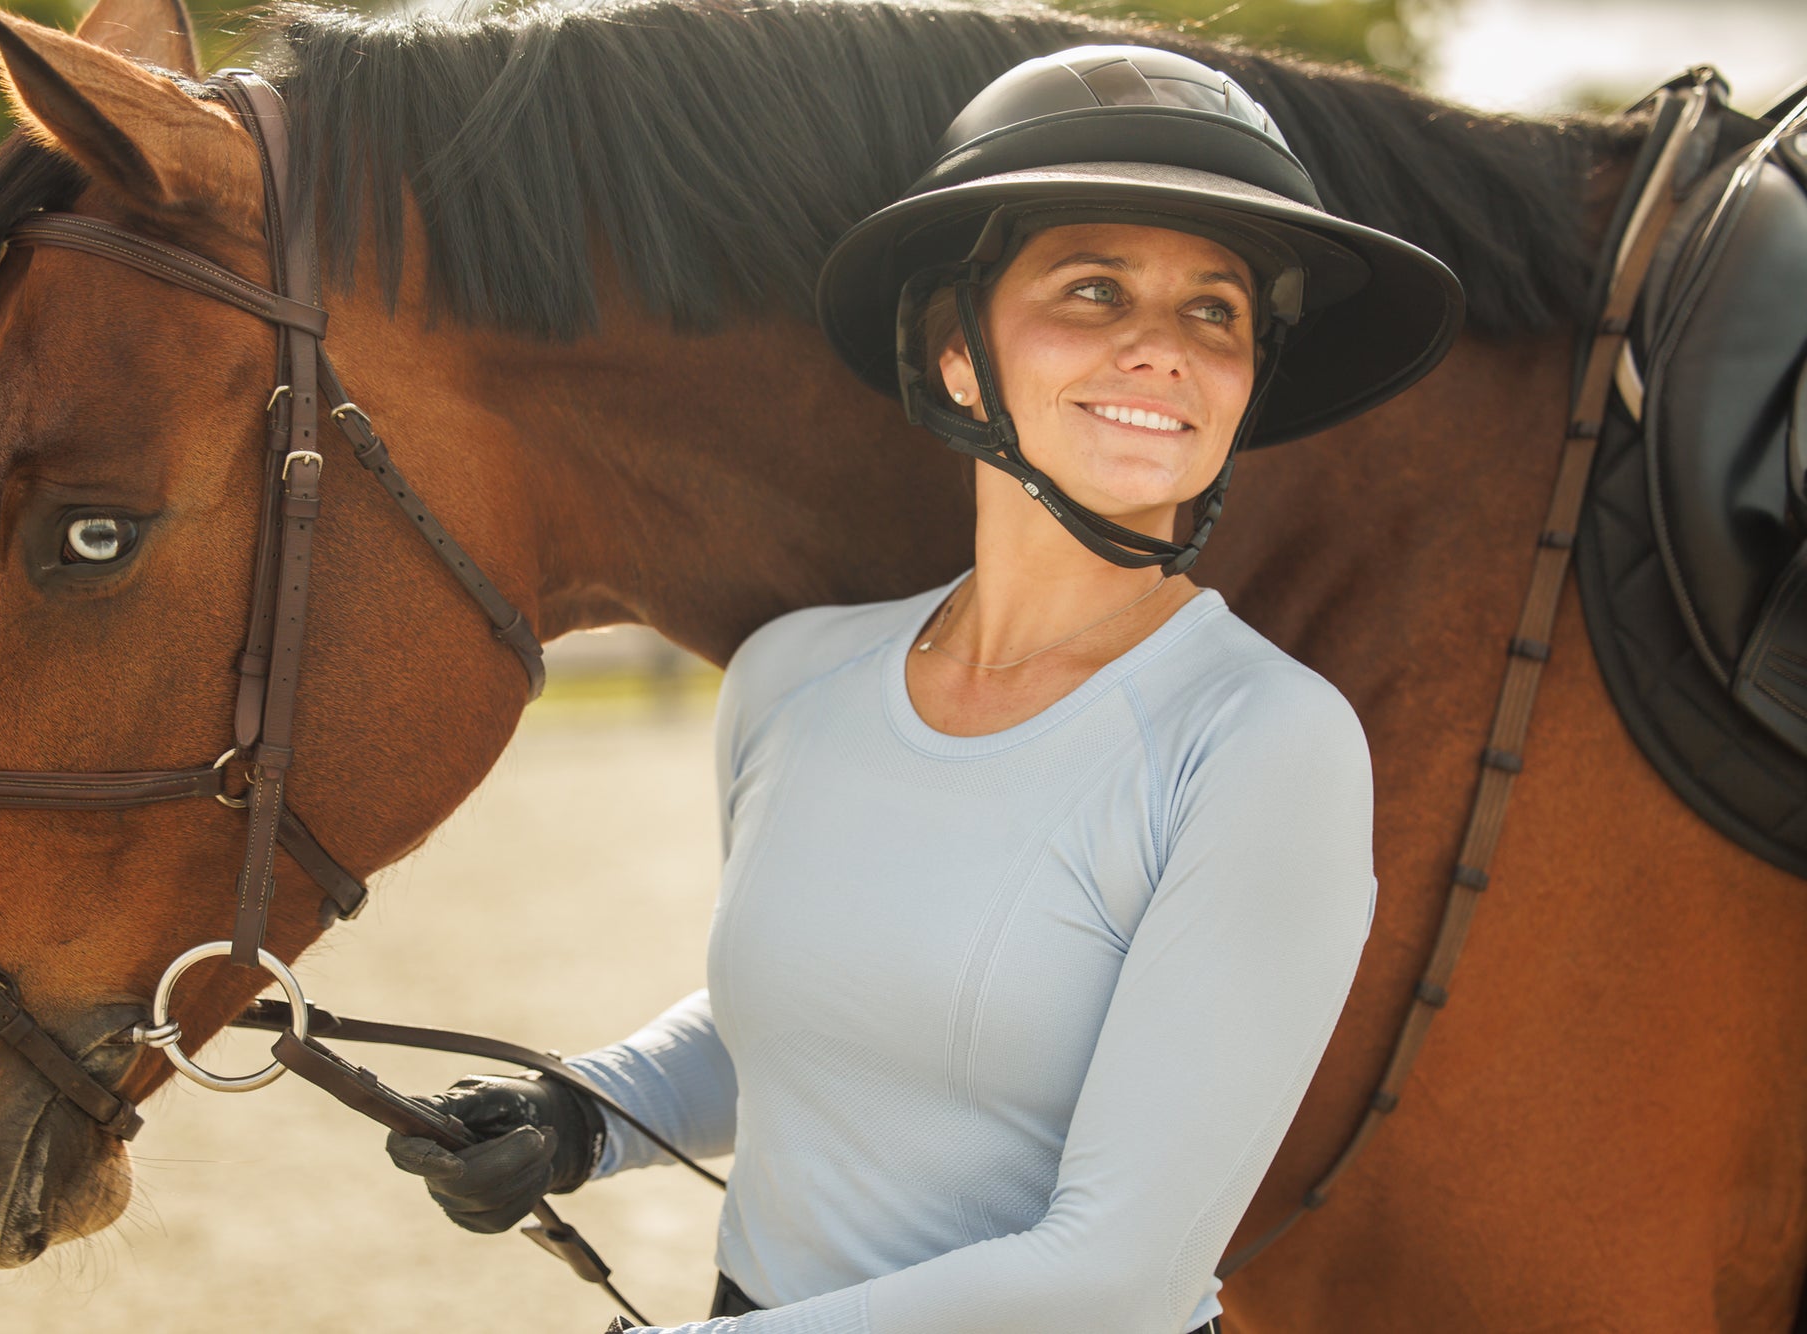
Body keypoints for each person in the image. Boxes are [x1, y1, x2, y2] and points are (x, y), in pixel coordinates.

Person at [385, 45, 1463, 1334]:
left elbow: (1121, 1280)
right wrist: (579, 1113)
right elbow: (805, 1026)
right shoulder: (795, 675)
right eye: (1095, 287)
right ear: (960, 353)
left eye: (1214, 310)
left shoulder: (1265, 743)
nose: (1161, 349)